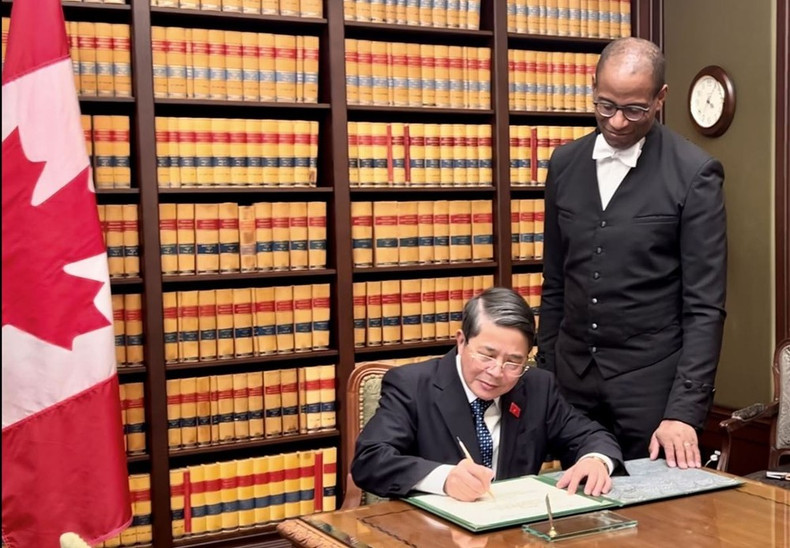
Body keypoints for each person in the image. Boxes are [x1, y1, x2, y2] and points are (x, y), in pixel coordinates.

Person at [537, 37, 727, 469]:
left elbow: (705, 308)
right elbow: (556, 283)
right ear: (592, 88)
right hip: (571, 385)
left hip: (653, 394)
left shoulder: (694, 174)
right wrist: (546, 375)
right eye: (606, 106)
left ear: (660, 98)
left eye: (635, 110)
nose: (618, 122)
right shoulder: (563, 164)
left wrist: (684, 410)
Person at [352, 287, 623, 502]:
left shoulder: (537, 387)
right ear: (461, 342)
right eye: (486, 355)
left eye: (513, 362)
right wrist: (443, 479)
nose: (496, 372)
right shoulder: (413, 384)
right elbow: (371, 459)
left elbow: (591, 436)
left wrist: (595, 461)